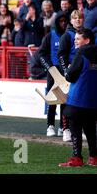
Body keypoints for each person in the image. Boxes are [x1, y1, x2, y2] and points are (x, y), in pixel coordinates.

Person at [59, 29, 97, 167]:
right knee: (91, 129)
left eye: (78, 39)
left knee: (75, 128)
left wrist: (68, 70)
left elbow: (70, 75)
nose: (75, 41)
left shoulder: (81, 53)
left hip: (78, 98)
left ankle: (77, 158)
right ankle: (94, 157)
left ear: (87, 40)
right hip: (93, 100)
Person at [39, 12, 69, 138]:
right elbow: (41, 54)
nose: (63, 23)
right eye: (61, 21)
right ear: (57, 22)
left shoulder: (68, 36)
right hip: (53, 72)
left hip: (65, 71)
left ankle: (63, 126)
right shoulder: (50, 36)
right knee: (52, 99)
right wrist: (49, 67)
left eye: (65, 21)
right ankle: (50, 125)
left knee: (65, 100)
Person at [57, 9, 84, 142]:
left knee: (81, 101)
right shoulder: (66, 36)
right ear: (71, 21)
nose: (77, 20)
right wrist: (66, 71)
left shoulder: (86, 34)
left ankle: (81, 129)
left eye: (79, 18)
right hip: (70, 72)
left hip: (83, 73)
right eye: (75, 18)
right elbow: (61, 54)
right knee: (66, 101)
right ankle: (65, 129)